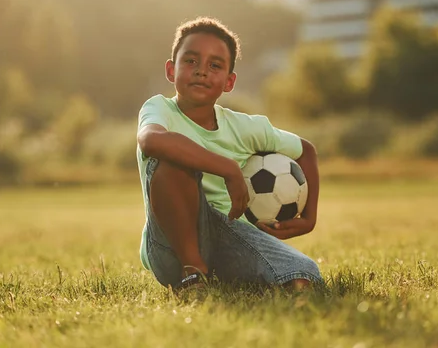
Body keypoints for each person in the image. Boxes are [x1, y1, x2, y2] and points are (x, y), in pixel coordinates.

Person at [136, 16, 322, 292]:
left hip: (230, 236)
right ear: (171, 70)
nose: (201, 71)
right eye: (190, 61)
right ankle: (192, 273)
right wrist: (227, 168)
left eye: (215, 65)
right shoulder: (160, 109)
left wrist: (308, 218)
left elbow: (305, 151)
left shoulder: (245, 127)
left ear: (229, 81)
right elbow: (151, 140)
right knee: (172, 158)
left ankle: (220, 274)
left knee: (304, 274)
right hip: (168, 247)